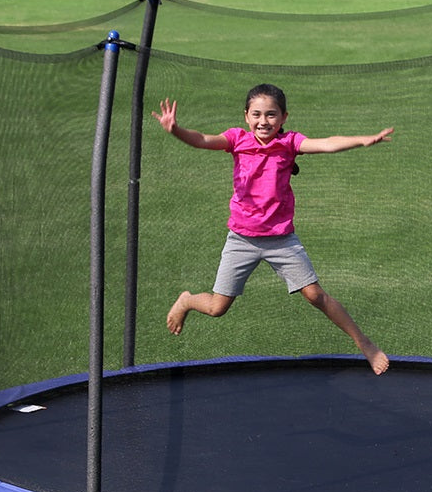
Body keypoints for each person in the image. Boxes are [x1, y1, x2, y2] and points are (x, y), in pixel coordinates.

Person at [152, 84, 393, 375]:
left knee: (316, 296)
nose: (263, 121)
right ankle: (188, 300)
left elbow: (327, 142)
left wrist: (363, 140)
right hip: (241, 239)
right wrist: (175, 129)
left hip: (281, 240)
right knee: (217, 308)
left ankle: (365, 344)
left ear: (283, 117)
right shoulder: (236, 139)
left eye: (271, 115)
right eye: (257, 114)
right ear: (246, 116)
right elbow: (203, 139)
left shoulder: (290, 143)